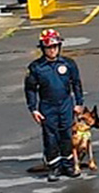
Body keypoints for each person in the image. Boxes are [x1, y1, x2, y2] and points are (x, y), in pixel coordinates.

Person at [26, 29, 84, 181]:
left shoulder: (68, 64)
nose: (52, 50)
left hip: (66, 104)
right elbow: (30, 89)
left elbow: (76, 84)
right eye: (49, 47)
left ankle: (69, 165)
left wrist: (79, 103)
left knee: (66, 135)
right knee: (51, 138)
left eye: (55, 46)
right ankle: (54, 167)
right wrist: (33, 109)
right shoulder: (36, 67)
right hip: (47, 106)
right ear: (43, 48)